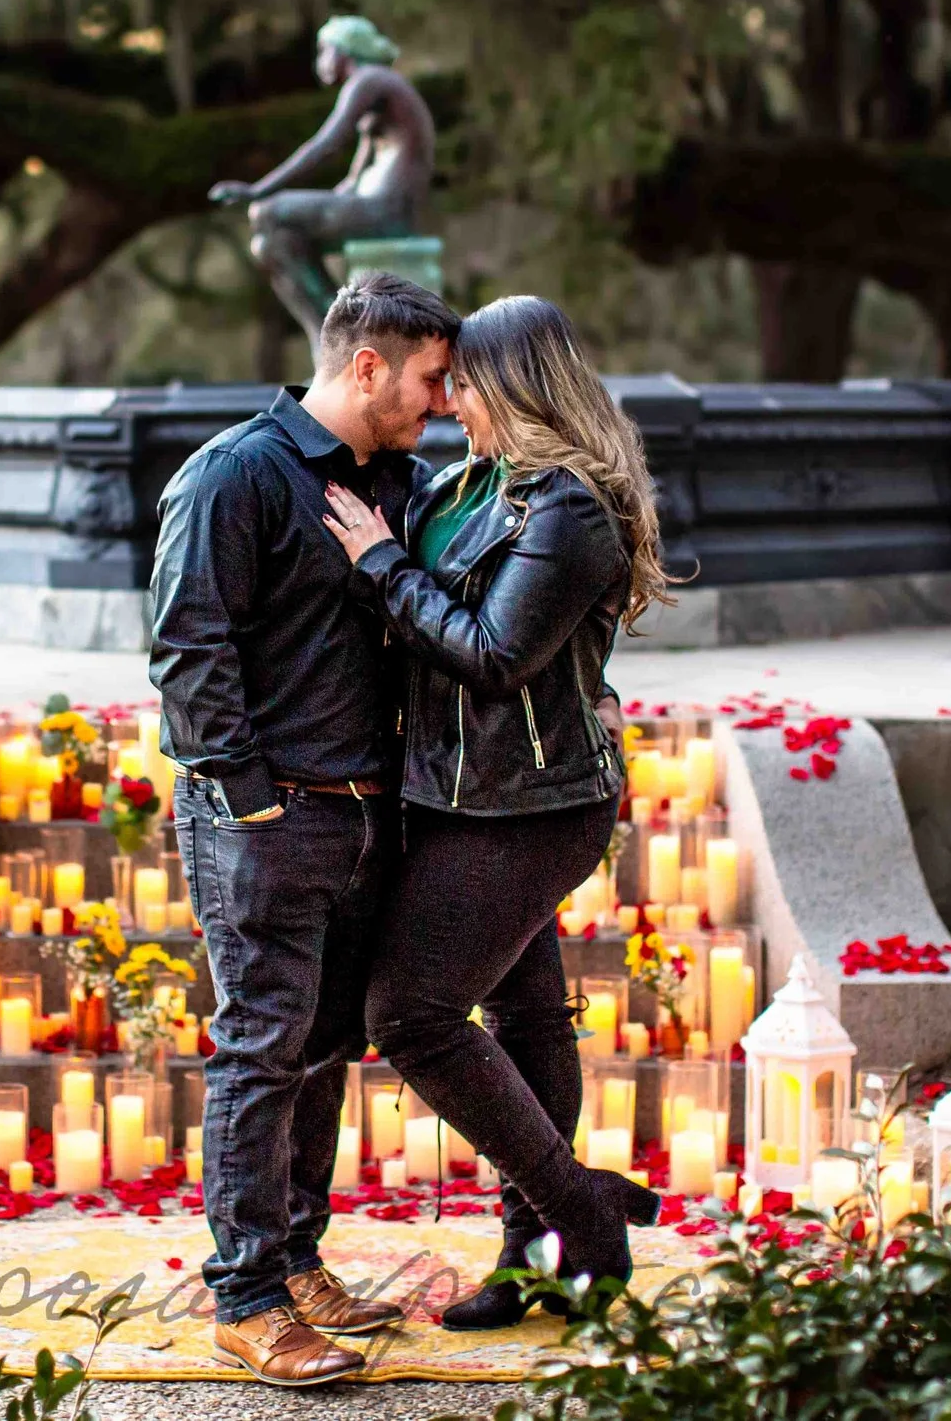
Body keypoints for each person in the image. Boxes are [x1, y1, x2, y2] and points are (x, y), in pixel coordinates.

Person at [319, 295, 675, 1329]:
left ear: (512, 384)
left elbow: (493, 652)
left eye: (460, 381)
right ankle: (532, 1256)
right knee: (521, 1017)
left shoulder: (570, 507)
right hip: (449, 793)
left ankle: (580, 1213)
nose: (445, 401)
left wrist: (378, 562)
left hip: (532, 802)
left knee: (410, 1014)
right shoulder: (471, 484)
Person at [148, 273, 460, 1384]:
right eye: (430, 378)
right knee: (262, 1045)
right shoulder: (235, 474)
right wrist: (249, 795)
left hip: (372, 814)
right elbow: (189, 647)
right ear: (366, 364)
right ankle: (244, 1296)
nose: (442, 400)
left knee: (326, 1044)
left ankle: (295, 1257)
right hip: (270, 817)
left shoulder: (398, 479)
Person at [209, 15, 436, 353]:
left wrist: (259, 189)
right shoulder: (378, 89)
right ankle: (333, 333)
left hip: (386, 210)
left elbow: (326, 143)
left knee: (266, 212)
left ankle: (334, 330)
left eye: (323, 51)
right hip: (376, 204)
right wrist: (332, 197)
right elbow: (356, 174)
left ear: (343, 52)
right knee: (271, 245)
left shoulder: (370, 79)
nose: (319, 63)